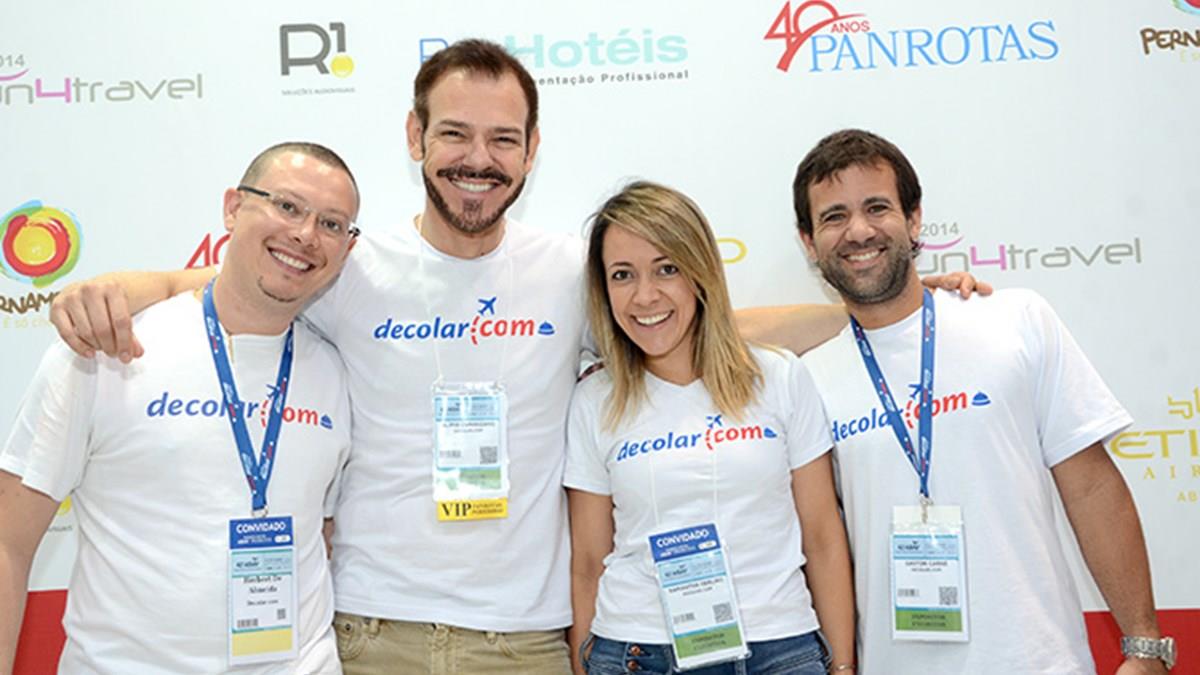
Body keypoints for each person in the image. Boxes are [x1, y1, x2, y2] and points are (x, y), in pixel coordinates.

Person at [41, 41, 988, 674]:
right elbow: (227, 285)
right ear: (416, 138)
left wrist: (896, 303)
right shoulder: (346, 263)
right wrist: (116, 285)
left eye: (503, 139)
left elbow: (717, 324)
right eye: (454, 133)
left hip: (526, 643)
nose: (478, 158)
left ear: (532, 152)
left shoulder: (571, 272)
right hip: (370, 636)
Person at [786, 128, 1173, 674]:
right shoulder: (807, 379)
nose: (859, 230)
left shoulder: (1014, 320)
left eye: (877, 207)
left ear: (914, 219)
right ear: (808, 241)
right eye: (834, 216)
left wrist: (1144, 645)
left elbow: (1090, 486)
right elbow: (822, 544)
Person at [0, 141, 360, 673]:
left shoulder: (335, 370)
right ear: (233, 208)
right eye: (287, 206)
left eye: (331, 224)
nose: (306, 234)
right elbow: (9, 542)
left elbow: (321, 536)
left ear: (347, 249)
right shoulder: (106, 349)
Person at [565, 182, 855, 675]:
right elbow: (589, 561)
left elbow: (823, 536)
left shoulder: (778, 377)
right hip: (638, 654)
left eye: (667, 268)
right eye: (622, 275)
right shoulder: (595, 401)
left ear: (699, 272)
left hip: (778, 648)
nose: (645, 295)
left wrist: (843, 665)